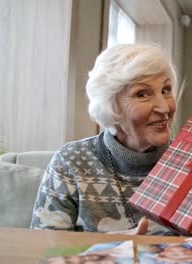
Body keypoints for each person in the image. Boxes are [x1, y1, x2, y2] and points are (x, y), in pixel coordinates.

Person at [30, 43, 177, 234]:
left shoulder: (191, 161)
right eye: (142, 93)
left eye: (166, 90)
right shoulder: (71, 161)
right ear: (110, 105)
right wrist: (115, 247)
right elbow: (44, 245)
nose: (164, 108)